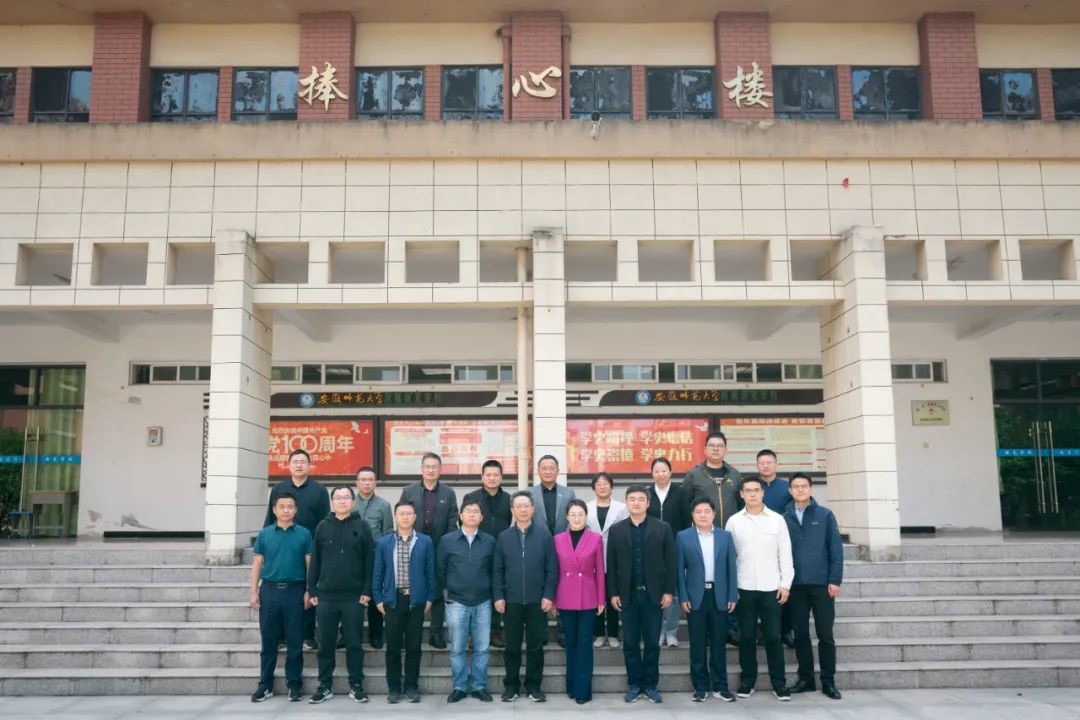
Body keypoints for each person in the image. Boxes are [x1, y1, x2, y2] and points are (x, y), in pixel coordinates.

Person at [725, 477, 794, 702]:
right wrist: (731, 589)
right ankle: (747, 681)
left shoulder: (777, 520)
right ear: (742, 494)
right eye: (748, 491)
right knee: (747, 637)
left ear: (763, 493)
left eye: (756, 490)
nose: (753, 494)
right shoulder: (734, 522)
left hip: (771, 587)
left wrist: (785, 584)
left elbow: (785, 554)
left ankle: (779, 683)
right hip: (744, 587)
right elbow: (729, 558)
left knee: (773, 636)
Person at [606, 485, 676, 704]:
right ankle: (635, 684)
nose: (636, 503)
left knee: (653, 643)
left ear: (648, 503)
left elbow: (670, 562)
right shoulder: (616, 530)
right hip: (627, 596)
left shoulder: (662, 528)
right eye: (632, 499)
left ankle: (651, 685)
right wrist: (613, 593)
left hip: (653, 596)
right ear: (626, 503)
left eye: (640, 499)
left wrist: (668, 591)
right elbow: (612, 565)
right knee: (630, 643)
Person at [306, 486, 375, 704]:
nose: (342, 501)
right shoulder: (323, 526)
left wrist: (367, 590)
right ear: (332, 501)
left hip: (353, 596)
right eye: (338, 497)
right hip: (326, 596)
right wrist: (312, 589)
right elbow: (315, 560)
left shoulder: (362, 526)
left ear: (353, 502)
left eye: (346, 497)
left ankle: (356, 685)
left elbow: (369, 560)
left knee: (354, 643)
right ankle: (325, 685)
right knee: (325, 644)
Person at [783, 473, 844, 701]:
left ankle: (828, 681)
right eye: (796, 486)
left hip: (821, 585)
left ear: (811, 489)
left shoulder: (825, 515)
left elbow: (836, 550)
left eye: (804, 486)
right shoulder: (783, 517)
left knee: (825, 634)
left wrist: (835, 580)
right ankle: (806, 679)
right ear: (790, 490)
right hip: (795, 586)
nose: (800, 490)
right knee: (800, 635)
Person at [493, 491, 557, 703]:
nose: (522, 510)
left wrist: (549, 594)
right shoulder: (503, 537)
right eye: (518, 506)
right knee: (511, 646)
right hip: (510, 601)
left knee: (535, 646)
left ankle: (533, 686)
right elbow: (497, 569)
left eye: (526, 506)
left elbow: (552, 568)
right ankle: (511, 686)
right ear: (512, 510)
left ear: (532, 509)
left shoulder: (544, 535)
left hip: (537, 600)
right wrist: (498, 595)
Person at [249, 491, 312, 703]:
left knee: (295, 640)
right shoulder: (265, 534)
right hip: (269, 591)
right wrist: (253, 591)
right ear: (274, 510)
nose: (286, 510)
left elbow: (309, 564)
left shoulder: (304, 534)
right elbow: (257, 563)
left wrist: (309, 590)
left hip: (295, 591)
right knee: (268, 641)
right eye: (282, 507)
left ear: (296, 510)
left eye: (290, 507)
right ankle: (265, 684)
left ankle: (294, 684)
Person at [264, 449, 330, 649]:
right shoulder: (279, 489)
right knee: (284, 593)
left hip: (309, 549)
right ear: (289, 465)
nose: (299, 465)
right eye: (295, 461)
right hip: (282, 548)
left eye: (303, 461)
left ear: (309, 465)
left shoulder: (319, 490)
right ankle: (281, 637)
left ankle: (307, 636)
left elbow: (324, 521)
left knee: (308, 589)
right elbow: (270, 519)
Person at [681, 432, 742, 645]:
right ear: (705, 449)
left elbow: (740, 505)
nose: (716, 449)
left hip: (728, 538)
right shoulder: (694, 474)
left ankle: (731, 628)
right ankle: (706, 632)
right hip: (701, 537)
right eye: (712, 445)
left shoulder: (735, 475)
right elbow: (685, 505)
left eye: (720, 445)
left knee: (728, 578)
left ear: (725, 449)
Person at [373, 501, 436, 704]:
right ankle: (393, 688)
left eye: (409, 513)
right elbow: (378, 572)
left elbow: (430, 571)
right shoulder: (384, 542)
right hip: (393, 600)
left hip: (416, 600)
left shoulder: (425, 541)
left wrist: (430, 597)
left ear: (415, 517)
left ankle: (411, 686)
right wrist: (378, 598)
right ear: (395, 517)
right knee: (392, 647)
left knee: (413, 647)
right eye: (402, 514)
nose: (406, 517)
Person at [676, 497, 738, 703]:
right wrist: (683, 596)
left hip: (720, 595)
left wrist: (732, 595)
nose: (703, 515)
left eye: (707, 511)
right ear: (692, 515)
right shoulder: (683, 537)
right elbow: (679, 570)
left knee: (719, 643)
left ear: (714, 514)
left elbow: (731, 568)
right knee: (697, 644)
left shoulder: (725, 536)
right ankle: (700, 687)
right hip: (695, 597)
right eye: (698, 512)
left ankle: (720, 686)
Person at [438, 497, 497, 703]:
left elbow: (494, 570)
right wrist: (449, 590)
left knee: (482, 647)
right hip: (457, 601)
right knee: (457, 648)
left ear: (481, 517)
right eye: (468, 511)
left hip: (483, 601)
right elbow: (441, 569)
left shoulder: (489, 541)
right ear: (461, 516)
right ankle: (459, 686)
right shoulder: (447, 540)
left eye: (476, 511)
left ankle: (479, 686)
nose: (472, 514)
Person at [399, 451, 458, 649]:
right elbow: (402, 516)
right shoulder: (409, 491)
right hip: (413, 547)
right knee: (410, 588)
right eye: (427, 467)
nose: (431, 470)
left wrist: (448, 546)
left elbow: (452, 521)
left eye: (434, 467)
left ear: (440, 470)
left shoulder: (448, 493)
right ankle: (407, 632)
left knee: (437, 590)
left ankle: (436, 633)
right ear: (421, 469)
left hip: (439, 547)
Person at [553, 499, 606, 704]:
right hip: (565, 595)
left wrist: (601, 598)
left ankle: (583, 690)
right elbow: (554, 571)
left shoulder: (595, 538)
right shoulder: (558, 539)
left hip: (588, 596)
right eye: (573, 514)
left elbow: (599, 571)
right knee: (571, 643)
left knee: (585, 643)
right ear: (567, 517)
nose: (576, 518)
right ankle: (571, 685)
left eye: (580, 514)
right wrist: (554, 599)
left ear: (586, 516)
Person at [461, 459, 512, 648]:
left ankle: (494, 632)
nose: (492, 478)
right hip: (477, 550)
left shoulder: (508, 499)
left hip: (501, 551)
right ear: (482, 477)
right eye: (488, 475)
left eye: (495, 475)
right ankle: (472, 634)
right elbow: (464, 522)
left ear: (501, 477)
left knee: (497, 589)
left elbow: (508, 522)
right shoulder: (471, 497)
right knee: (475, 590)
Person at [647, 457, 690, 647]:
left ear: (670, 472)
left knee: (673, 592)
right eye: (657, 471)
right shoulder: (647, 493)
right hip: (652, 549)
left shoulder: (681, 493)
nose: (660, 474)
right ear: (652, 474)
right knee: (655, 591)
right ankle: (658, 631)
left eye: (664, 470)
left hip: (675, 548)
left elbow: (687, 520)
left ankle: (671, 632)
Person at [756, 449, 794, 647]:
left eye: (769, 462)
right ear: (757, 466)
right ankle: (765, 630)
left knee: (784, 588)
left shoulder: (786, 488)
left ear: (776, 464)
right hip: (758, 545)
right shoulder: (753, 487)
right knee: (763, 591)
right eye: (761, 463)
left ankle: (786, 630)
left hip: (782, 543)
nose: (765, 466)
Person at [585, 472, 628, 648]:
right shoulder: (587, 507)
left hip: (615, 556)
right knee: (595, 595)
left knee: (612, 595)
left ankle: (613, 633)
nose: (602, 487)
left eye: (606, 483)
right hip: (592, 557)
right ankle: (599, 633)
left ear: (611, 486)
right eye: (599, 484)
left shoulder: (622, 508)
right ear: (593, 487)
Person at [354, 466, 393, 649]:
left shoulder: (384, 506)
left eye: (370, 480)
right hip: (352, 559)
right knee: (352, 599)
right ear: (357, 482)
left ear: (375, 483)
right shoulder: (349, 503)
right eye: (363, 479)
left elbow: (388, 534)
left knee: (375, 595)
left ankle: (376, 635)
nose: (367, 483)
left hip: (376, 558)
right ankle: (348, 634)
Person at [530, 455, 576, 536]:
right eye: (544, 468)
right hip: (537, 539)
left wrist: (566, 536)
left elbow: (574, 516)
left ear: (557, 471)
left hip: (563, 539)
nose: (548, 472)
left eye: (551, 468)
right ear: (538, 471)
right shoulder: (529, 494)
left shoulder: (568, 493)